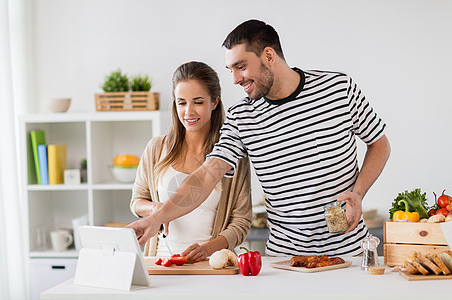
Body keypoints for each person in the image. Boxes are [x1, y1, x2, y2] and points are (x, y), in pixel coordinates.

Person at [127, 20, 391, 257]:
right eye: (230, 69)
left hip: (348, 252)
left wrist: (358, 193)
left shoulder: (337, 89)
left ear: (268, 55)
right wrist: (156, 218)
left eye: (241, 67)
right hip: (284, 259)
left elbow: (379, 143)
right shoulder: (242, 116)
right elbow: (208, 174)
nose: (235, 79)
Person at [129, 61, 252, 262]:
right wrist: (155, 210)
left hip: (210, 265)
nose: (188, 112)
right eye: (182, 102)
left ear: (214, 102)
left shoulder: (231, 154)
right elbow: (137, 201)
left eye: (198, 102)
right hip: (160, 264)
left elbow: (241, 222)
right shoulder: (156, 148)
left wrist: (207, 249)